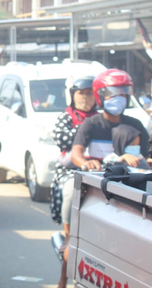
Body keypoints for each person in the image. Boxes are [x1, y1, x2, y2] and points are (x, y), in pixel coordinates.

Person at [49, 75, 96, 288]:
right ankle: (69, 235)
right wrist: (87, 131)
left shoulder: (102, 117)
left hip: (99, 170)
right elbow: (63, 139)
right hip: (71, 170)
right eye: (81, 93)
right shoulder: (66, 117)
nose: (86, 97)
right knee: (71, 191)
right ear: (72, 95)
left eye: (90, 93)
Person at [71, 69, 152, 172]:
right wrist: (86, 163)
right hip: (98, 179)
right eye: (113, 93)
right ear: (100, 96)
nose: (118, 98)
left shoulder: (135, 125)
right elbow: (76, 154)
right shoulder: (91, 124)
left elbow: (149, 154)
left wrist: (149, 162)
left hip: (129, 180)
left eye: (122, 94)